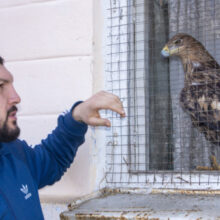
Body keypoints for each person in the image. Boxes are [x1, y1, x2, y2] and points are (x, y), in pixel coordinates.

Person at [0, 57, 125, 219]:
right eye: (1, 86)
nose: (16, 97)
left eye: (11, 84)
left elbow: (50, 160)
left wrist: (77, 117)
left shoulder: (11, 152)